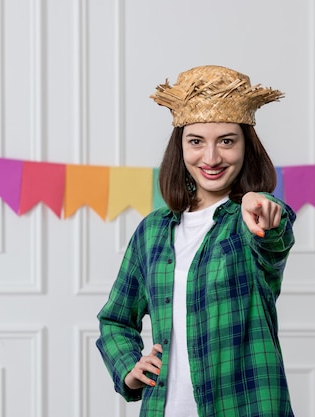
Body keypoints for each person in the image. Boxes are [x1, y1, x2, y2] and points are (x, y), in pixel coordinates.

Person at [96, 65, 296, 416]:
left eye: (227, 141)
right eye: (196, 142)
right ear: (181, 147)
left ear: (246, 147)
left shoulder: (250, 222)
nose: (212, 158)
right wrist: (128, 367)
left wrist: (256, 202)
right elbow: (116, 319)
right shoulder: (152, 232)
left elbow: (274, 238)